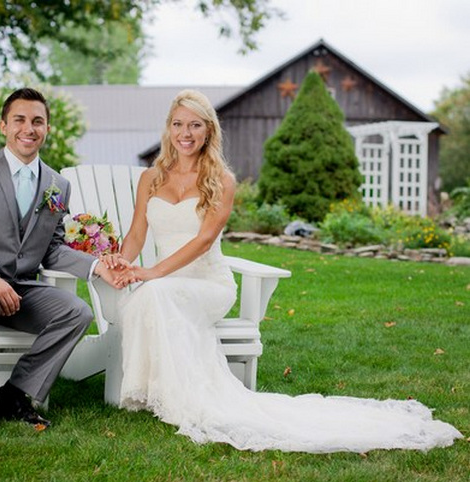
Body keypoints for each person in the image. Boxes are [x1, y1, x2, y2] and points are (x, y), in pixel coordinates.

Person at [104, 89, 462, 453]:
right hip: (167, 283)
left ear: (209, 130)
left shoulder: (221, 179)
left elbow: (203, 241)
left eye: (195, 125)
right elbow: (136, 233)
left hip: (208, 285)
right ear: (169, 129)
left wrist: (152, 272)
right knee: (152, 294)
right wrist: (121, 260)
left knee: (154, 290)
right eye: (179, 124)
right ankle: (156, 390)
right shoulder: (151, 177)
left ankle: (179, 397)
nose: (186, 133)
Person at [0, 87, 118, 434]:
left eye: (38, 121)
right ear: (3, 125)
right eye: (20, 120)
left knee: (78, 313)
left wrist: (96, 266)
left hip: (20, 290)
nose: (28, 129)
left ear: (47, 128)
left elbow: (52, 249)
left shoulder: (57, 185)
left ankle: (16, 393)